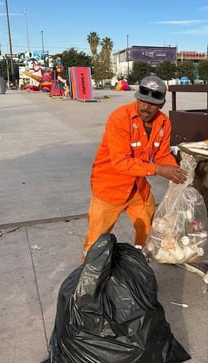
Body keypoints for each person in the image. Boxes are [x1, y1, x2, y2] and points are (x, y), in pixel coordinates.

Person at [82, 75, 188, 261]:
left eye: (152, 104)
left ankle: (140, 258)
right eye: (142, 101)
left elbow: (162, 154)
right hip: (109, 187)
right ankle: (89, 275)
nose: (146, 107)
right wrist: (159, 170)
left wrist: (177, 173)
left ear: (161, 104)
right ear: (137, 98)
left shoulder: (163, 123)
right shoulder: (120, 118)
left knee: (147, 225)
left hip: (137, 187)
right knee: (97, 239)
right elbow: (121, 162)